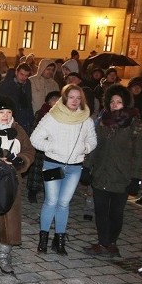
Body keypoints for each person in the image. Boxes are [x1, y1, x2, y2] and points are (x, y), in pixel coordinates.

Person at [30, 84, 98, 255]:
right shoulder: (52, 117)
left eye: (78, 97)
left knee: (64, 203)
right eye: (71, 97)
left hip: (74, 168)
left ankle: (59, 239)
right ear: (64, 98)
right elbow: (35, 139)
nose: (75, 101)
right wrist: (52, 147)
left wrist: (84, 148)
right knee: (51, 201)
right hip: (53, 164)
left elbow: (93, 140)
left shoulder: (86, 119)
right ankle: (43, 239)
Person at [83, 85, 142, 258]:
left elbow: (139, 154)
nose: (114, 105)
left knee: (116, 212)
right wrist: (87, 167)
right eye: (112, 102)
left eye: (119, 102)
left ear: (125, 104)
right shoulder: (102, 121)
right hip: (102, 173)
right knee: (101, 211)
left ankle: (112, 242)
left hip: (122, 177)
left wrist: (136, 178)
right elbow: (94, 147)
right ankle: (103, 243)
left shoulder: (135, 124)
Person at [0, 96, 35, 274]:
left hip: (12, 180)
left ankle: (3, 257)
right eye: (1, 112)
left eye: (9, 112)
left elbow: (29, 151)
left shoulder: (18, 130)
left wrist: (20, 161)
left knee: (10, 219)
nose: (5, 115)